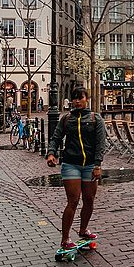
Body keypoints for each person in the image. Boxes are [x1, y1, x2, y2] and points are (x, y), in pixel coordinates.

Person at [46, 87, 106, 252]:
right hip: (71, 164)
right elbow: (56, 137)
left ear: (87, 99)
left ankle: (83, 229)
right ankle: (65, 238)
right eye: (74, 98)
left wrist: (98, 164)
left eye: (80, 98)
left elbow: (101, 144)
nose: (77, 101)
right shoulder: (67, 119)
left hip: (90, 166)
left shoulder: (96, 119)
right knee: (73, 201)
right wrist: (51, 153)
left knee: (89, 200)